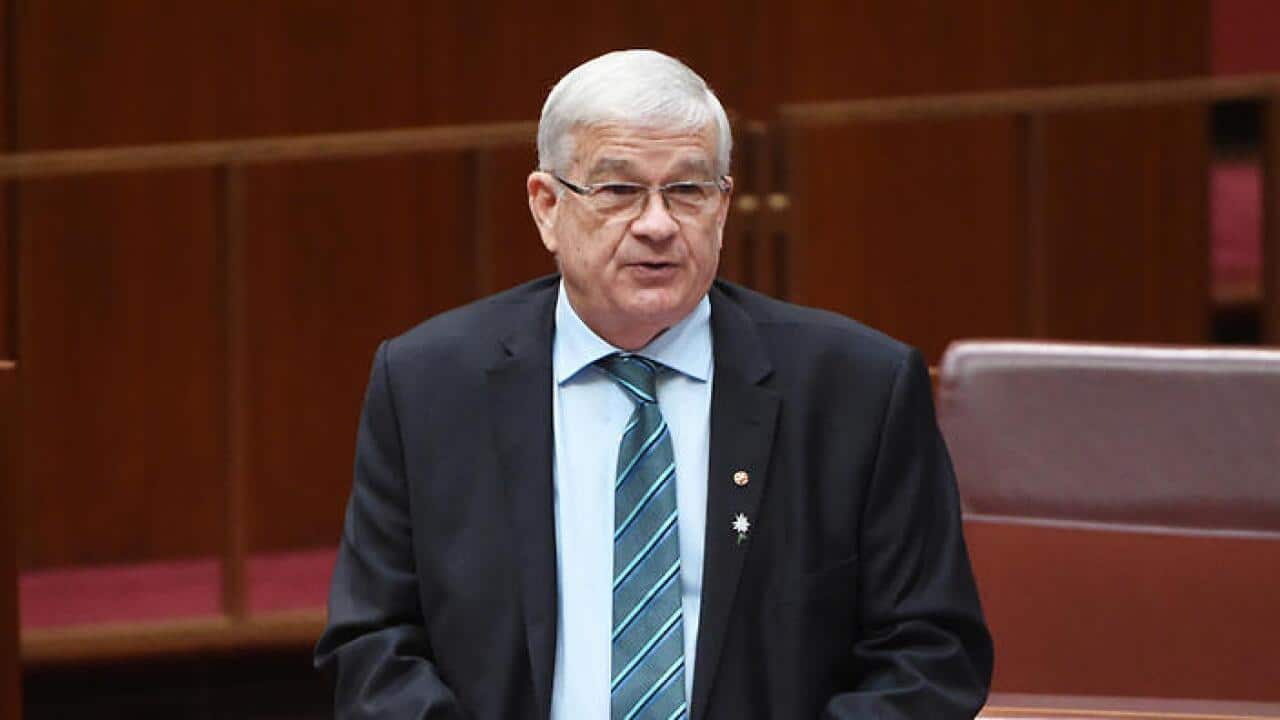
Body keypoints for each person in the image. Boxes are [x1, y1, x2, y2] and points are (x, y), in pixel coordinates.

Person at [315, 49, 993, 719]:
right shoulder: (428, 383)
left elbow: (930, 653)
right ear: (547, 205)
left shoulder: (857, 389)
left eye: (688, 191)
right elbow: (373, 641)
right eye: (618, 191)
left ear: (723, 206)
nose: (658, 225)